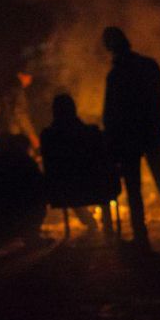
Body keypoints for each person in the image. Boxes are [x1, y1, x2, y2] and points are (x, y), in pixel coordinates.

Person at [101, 26, 160, 248]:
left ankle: (141, 237)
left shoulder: (116, 75)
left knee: (134, 189)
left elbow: (110, 116)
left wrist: (112, 144)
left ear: (110, 49)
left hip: (129, 139)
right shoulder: (148, 66)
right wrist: (156, 124)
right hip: (150, 134)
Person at [40, 93, 117, 241]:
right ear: (74, 110)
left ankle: (89, 221)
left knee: (68, 181)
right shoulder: (92, 132)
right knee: (97, 177)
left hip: (62, 193)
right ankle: (108, 226)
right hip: (98, 190)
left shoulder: (48, 136)